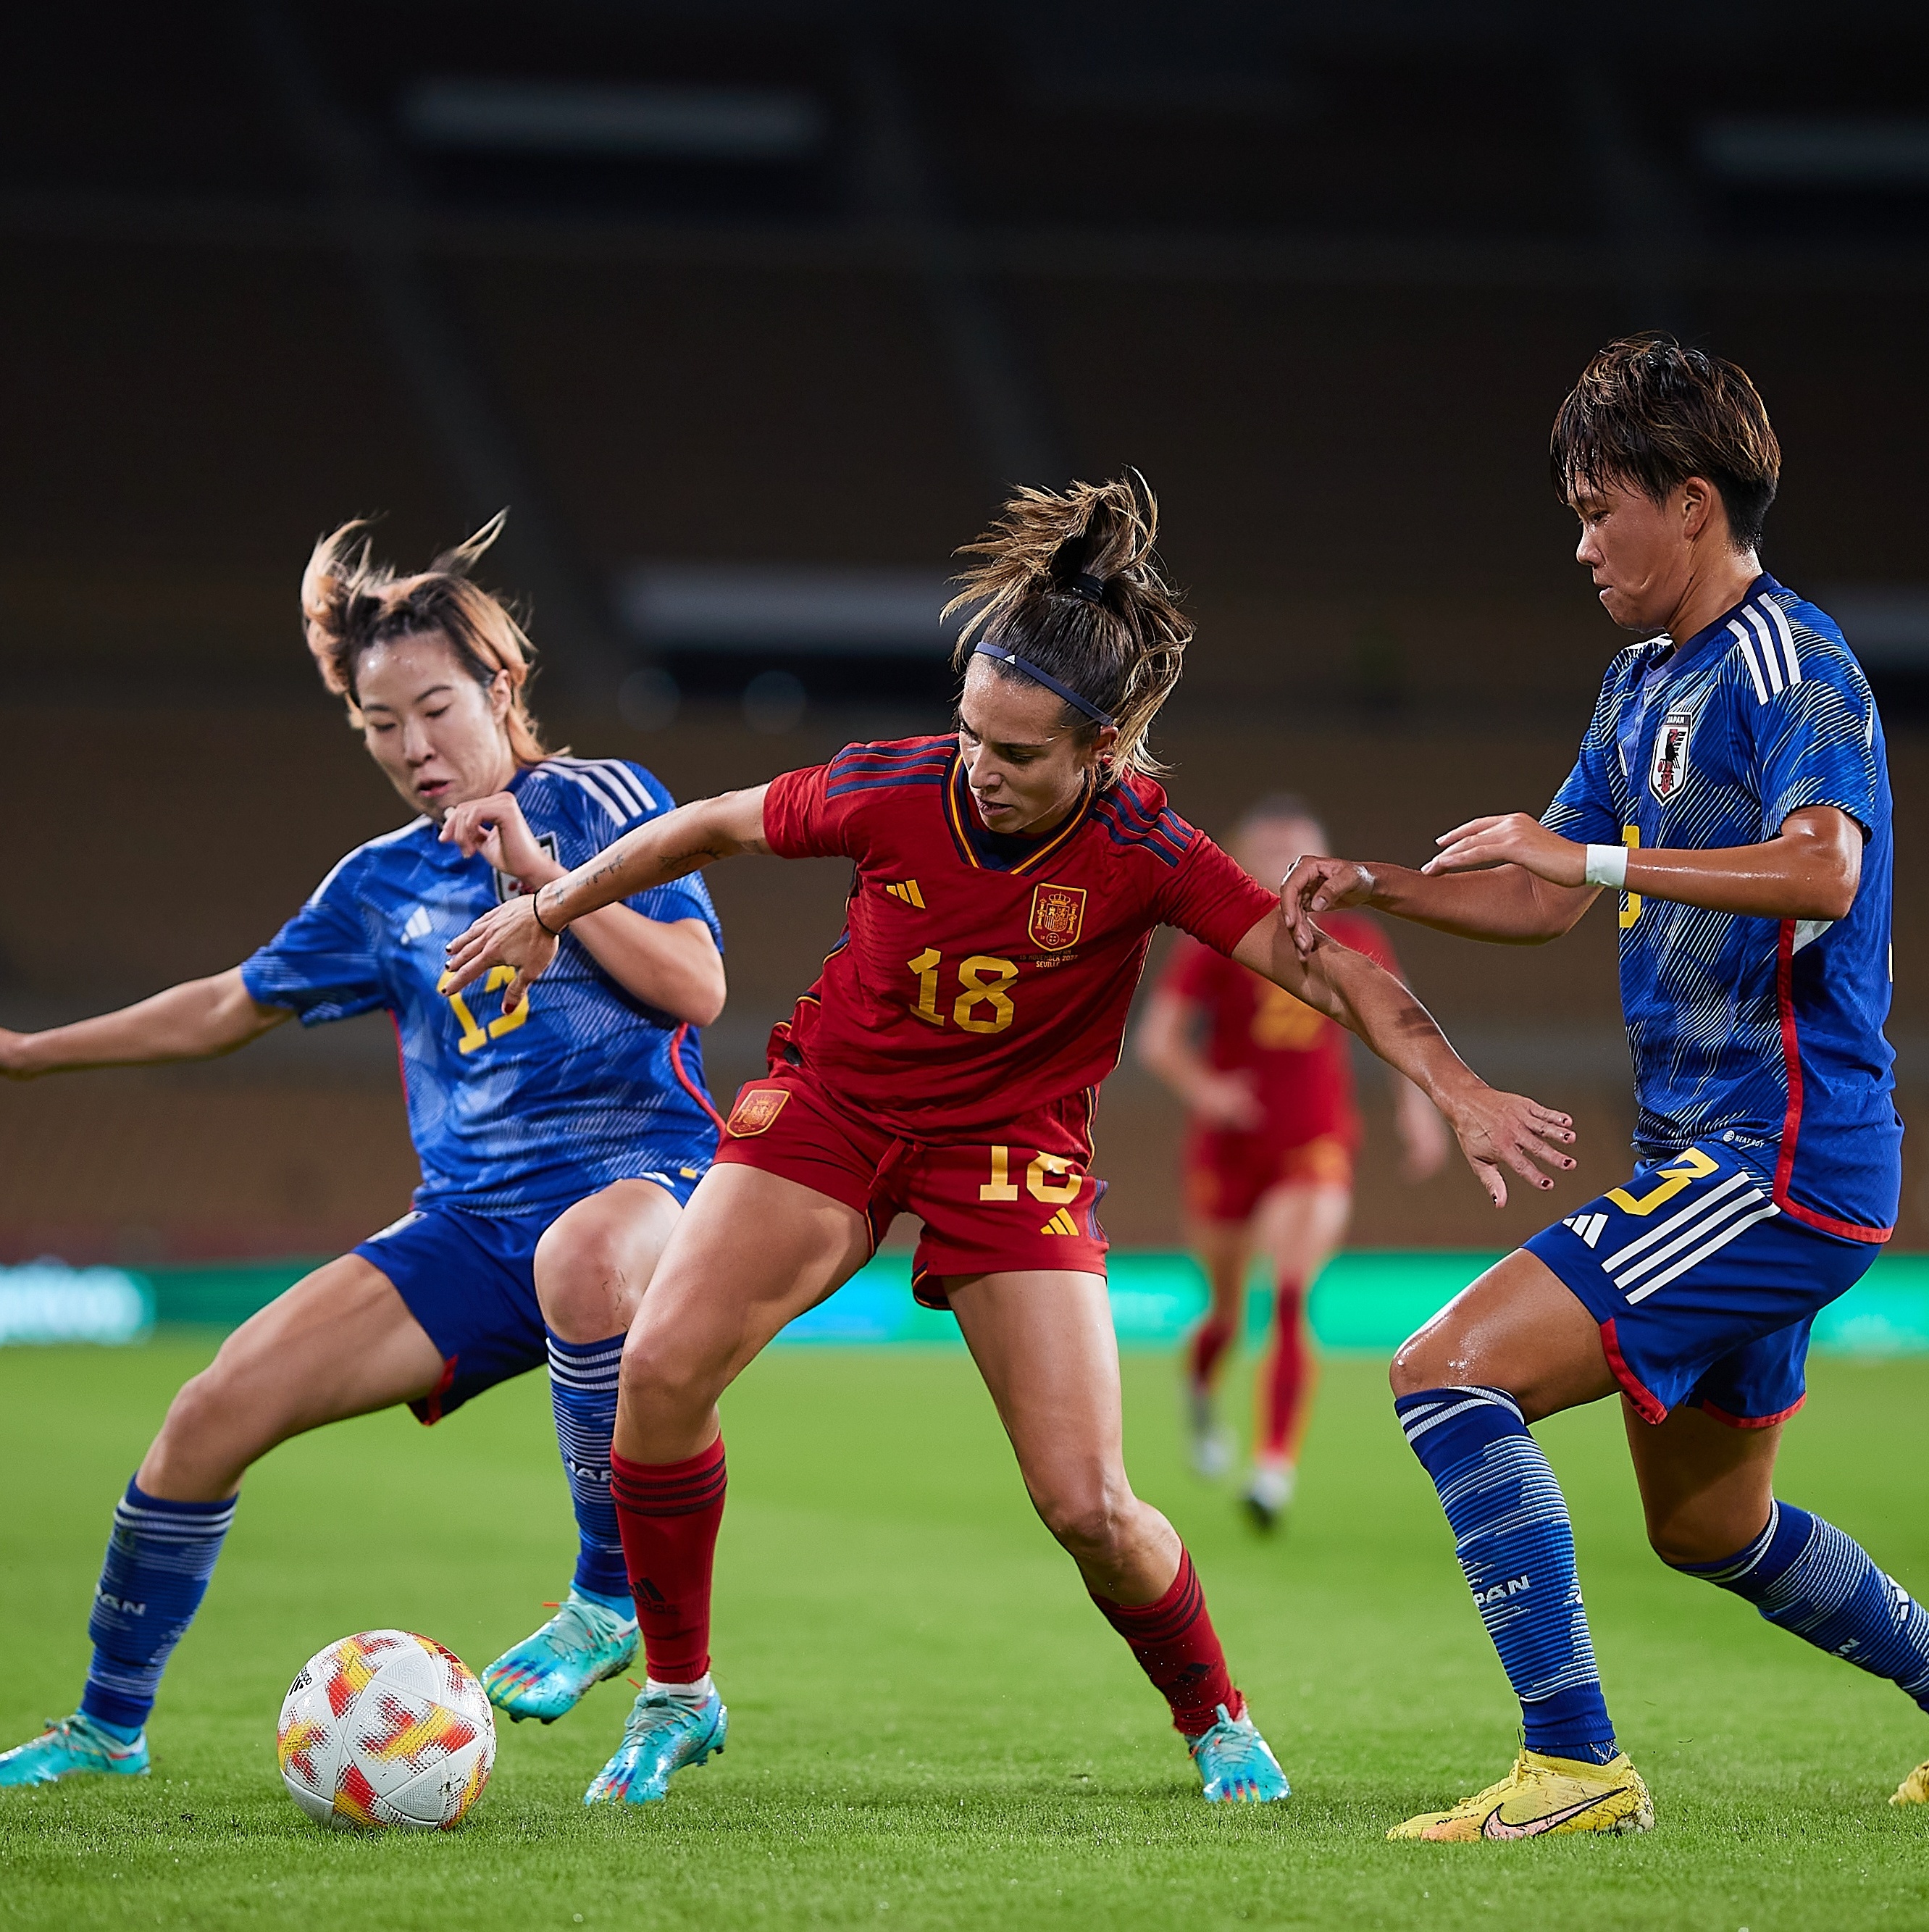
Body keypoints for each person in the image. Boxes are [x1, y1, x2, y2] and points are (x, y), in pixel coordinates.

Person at [443, 474, 1577, 1809]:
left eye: (1017, 750)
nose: (979, 761)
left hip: (1008, 1149)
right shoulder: (891, 787)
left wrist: (1448, 1081)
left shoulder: (1147, 849)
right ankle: (677, 1691)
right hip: (836, 1108)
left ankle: (1213, 1715)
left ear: (1098, 752)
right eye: (971, 730)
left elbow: (1323, 971)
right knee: (662, 1365)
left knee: (1086, 1503)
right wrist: (553, 904)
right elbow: (710, 823)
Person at [1282, 335, 1917, 1841]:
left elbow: (1822, 871)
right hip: (1718, 1156)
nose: (1577, 545)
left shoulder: (1788, 658)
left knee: (1441, 1370)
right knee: (1705, 1522)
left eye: (1594, 508)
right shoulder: (1637, 679)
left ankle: (1571, 1765)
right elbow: (1541, 893)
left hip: (1773, 1159)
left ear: (1687, 502)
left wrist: (1591, 856)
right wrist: (1372, 884)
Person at [0, 517, 726, 1789]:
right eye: (380, 724)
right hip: (467, 1227)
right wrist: (28, 1053)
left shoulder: (602, 801)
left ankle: (604, 1601)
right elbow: (232, 1005)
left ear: (499, 689)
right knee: (207, 1412)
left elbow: (699, 988)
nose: (412, 748)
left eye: (434, 708)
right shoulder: (376, 885)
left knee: (585, 1255)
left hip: (646, 1184)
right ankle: (105, 1727)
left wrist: (546, 881)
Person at [1137, 795, 1447, 1527]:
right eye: (1272, 850)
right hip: (1229, 1149)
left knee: (1286, 1295)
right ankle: (1203, 1393)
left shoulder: (1358, 938)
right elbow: (1158, 1042)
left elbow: (1400, 1027)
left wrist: (1418, 1109)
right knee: (1222, 1312)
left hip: (1314, 1143)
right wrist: (1208, 1090)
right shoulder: (1214, 941)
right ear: (1242, 861)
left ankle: (1272, 1467)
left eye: (1301, 851)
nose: (1289, 864)